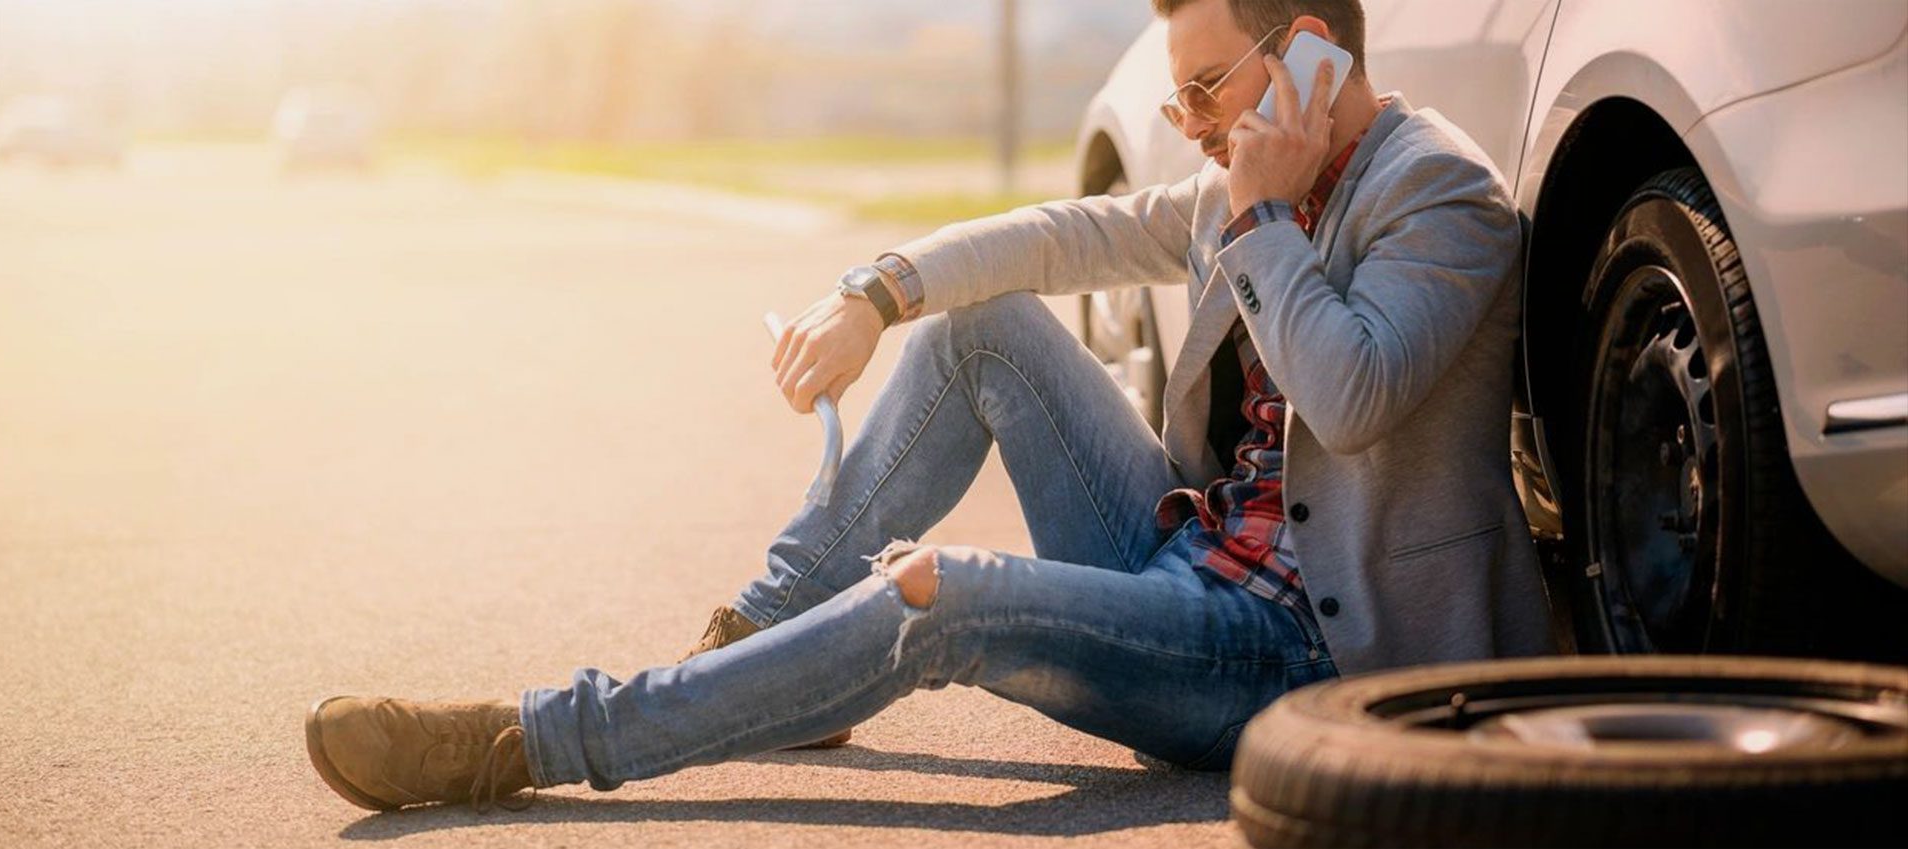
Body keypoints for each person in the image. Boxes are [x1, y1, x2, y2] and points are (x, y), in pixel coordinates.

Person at [303, 0, 1556, 813]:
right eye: (1180, 106)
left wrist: (1263, 219)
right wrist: (874, 293)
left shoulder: (1439, 196)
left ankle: (534, 739)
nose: (1194, 131)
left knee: (936, 594)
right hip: (1191, 565)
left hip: (1299, 651)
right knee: (984, 325)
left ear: (1313, 56)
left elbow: (1349, 396)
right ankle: (762, 628)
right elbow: (1062, 236)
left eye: (1210, 92)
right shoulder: (1245, 184)